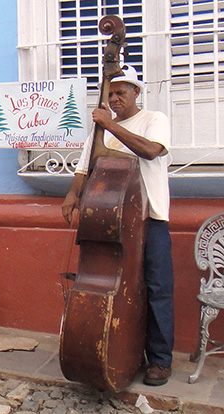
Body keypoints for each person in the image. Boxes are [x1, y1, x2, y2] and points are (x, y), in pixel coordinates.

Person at [62, 66, 174, 386]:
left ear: (136, 92)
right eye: (110, 93)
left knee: (157, 288)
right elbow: (84, 169)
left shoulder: (154, 120)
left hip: (150, 219)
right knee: (115, 288)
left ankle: (161, 360)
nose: (114, 98)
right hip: (113, 223)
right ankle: (123, 350)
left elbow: (152, 151)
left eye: (120, 92)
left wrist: (110, 125)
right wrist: (72, 195)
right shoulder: (100, 131)